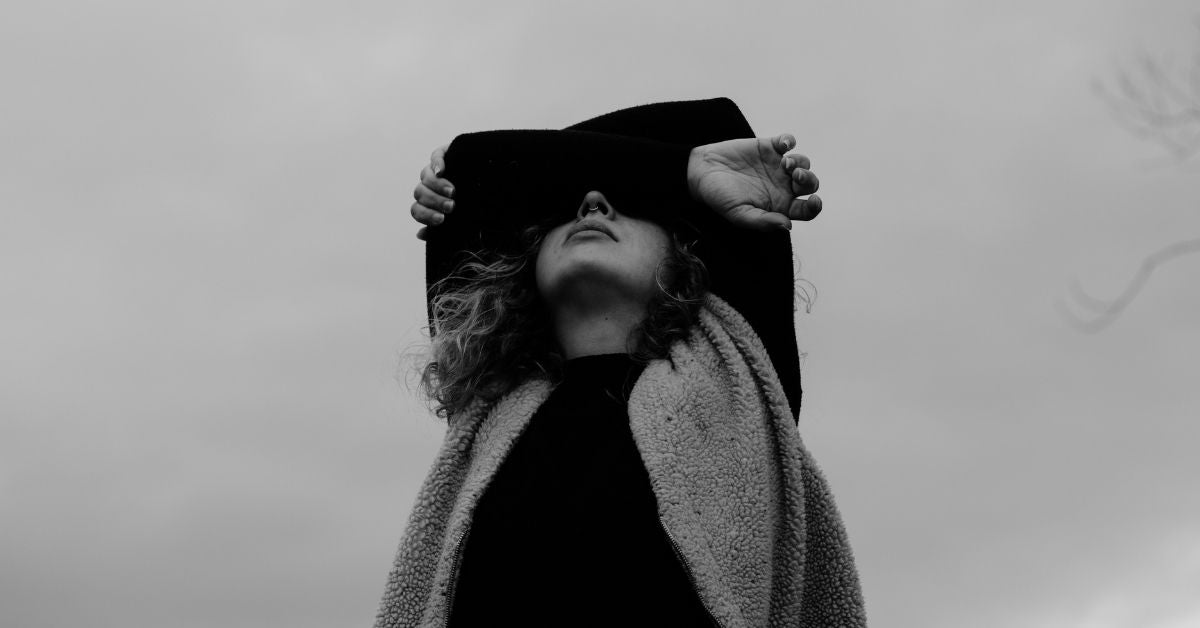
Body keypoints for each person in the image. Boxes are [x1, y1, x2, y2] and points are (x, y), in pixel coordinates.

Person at [375, 98, 865, 627]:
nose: (592, 206)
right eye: (567, 208)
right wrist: (674, 170)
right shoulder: (491, 402)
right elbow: (472, 165)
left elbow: (472, 163)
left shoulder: (737, 378)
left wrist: (685, 173)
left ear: (688, 257)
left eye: (628, 203)